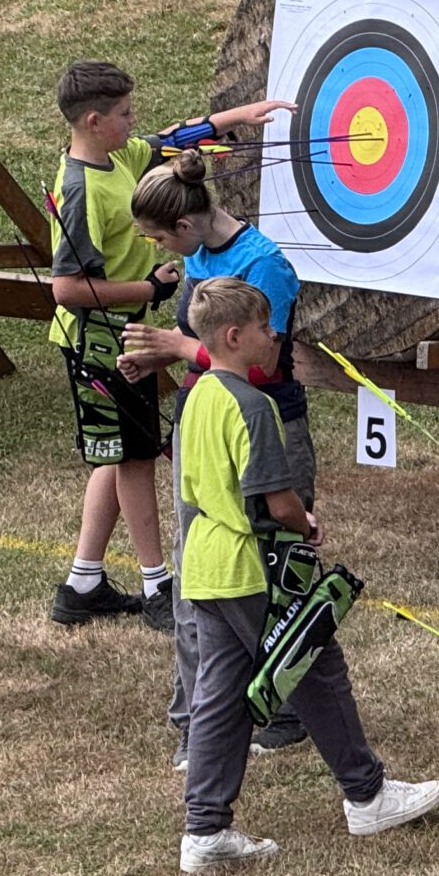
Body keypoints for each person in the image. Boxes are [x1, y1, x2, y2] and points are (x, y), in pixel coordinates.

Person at [172, 276, 439, 873]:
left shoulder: (197, 396)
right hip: (254, 567)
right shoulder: (254, 406)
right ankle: (367, 795)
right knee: (315, 665)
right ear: (235, 336)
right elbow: (277, 499)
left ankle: (205, 830)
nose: (274, 336)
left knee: (219, 694)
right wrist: (306, 522)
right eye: (264, 327)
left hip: (207, 565)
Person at [43, 62, 288, 630]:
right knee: (134, 457)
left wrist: (240, 116)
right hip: (98, 339)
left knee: (118, 451)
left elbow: (174, 140)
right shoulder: (78, 189)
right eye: (125, 114)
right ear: (94, 120)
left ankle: (83, 584)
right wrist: (149, 288)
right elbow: (67, 289)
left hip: (123, 333)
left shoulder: (120, 156)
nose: (135, 122)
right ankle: (158, 585)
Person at [118, 150, 313, 761]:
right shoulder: (199, 254)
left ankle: (284, 710)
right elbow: (205, 346)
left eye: (158, 239)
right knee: (197, 574)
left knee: (275, 570)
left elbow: (263, 365)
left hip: (264, 426)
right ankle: (195, 719)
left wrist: (178, 347)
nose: (161, 251)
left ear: (185, 224)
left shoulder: (264, 265)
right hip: (204, 423)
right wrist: (158, 355)